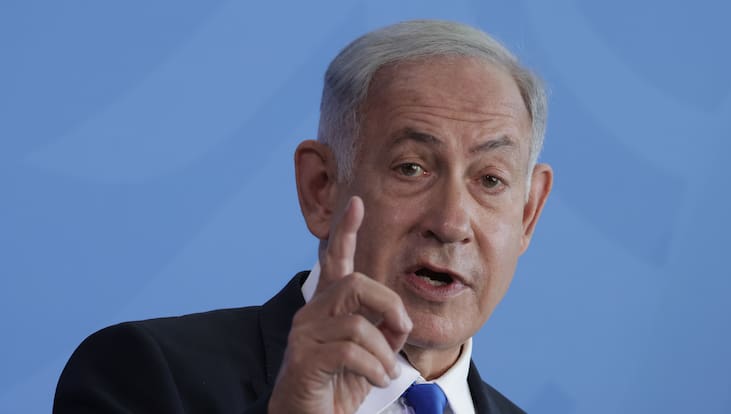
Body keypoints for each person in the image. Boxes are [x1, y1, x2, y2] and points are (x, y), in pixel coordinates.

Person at [54, 19, 553, 414]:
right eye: (411, 168)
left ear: (528, 213)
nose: (451, 223)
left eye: (491, 180)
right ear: (321, 189)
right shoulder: (143, 375)